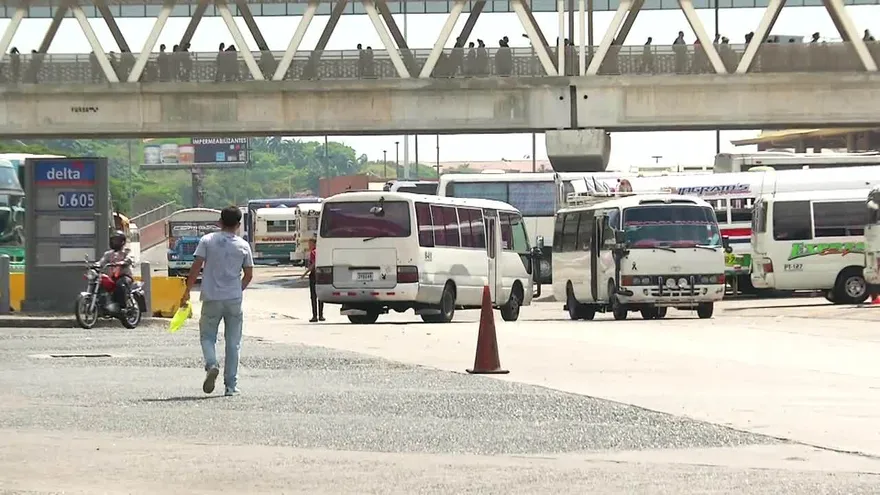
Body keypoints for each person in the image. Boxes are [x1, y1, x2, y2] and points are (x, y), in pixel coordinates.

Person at [181, 206, 254, 397]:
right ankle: (231, 386)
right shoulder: (243, 245)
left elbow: (196, 267)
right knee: (233, 343)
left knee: (207, 336)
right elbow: (248, 275)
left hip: (211, 297)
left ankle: (212, 364)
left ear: (219, 222)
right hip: (233, 299)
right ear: (238, 225)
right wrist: (237, 289)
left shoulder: (207, 241)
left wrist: (187, 291)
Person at [98, 230, 134, 313]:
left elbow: (130, 258)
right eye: (113, 240)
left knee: (119, 285)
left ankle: (122, 307)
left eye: (117, 240)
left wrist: (123, 262)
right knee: (100, 283)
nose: (115, 242)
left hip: (125, 276)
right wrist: (96, 265)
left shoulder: (126, 252)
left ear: (122, 242)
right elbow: (102, 261)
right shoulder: (108, 254)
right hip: (112, 277)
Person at [300, 238, 324, 322]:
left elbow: (313, 264)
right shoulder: (320, 251)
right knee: (320, 296)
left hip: (313, 275)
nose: (309, 246)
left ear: (314, 244)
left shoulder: (313, 252)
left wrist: (305, 274)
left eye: (310, 244)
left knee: (313, 296)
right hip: (320, 274)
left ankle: (315, 316)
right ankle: (321, 315)